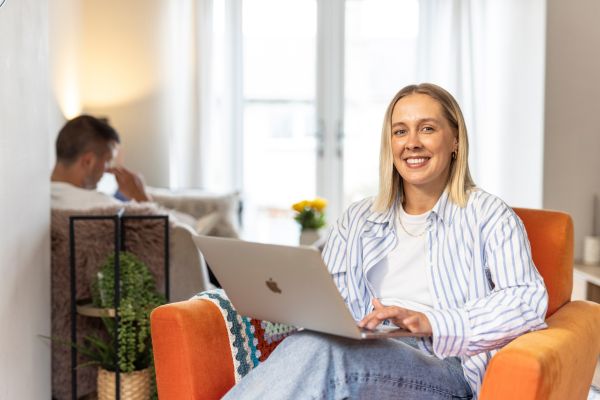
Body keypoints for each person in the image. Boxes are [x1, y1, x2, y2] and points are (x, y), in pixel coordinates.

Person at [222, 83, 548, 399]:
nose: (412, 143)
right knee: (309, 344)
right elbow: (337, 303)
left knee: (322, 352)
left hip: (445, 369)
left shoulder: (488, 214)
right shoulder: (359, 218)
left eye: (428, 129)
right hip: (363, 351)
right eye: (400, 131)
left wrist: (431, 321)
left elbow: (526, 300)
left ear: (456, 142)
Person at [50, 115, 154, 210]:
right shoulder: (105, 209)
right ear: (88, 161)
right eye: (108, 161)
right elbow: (163, 228)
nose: (108, 170)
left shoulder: (38, 199)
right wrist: (141, 197)